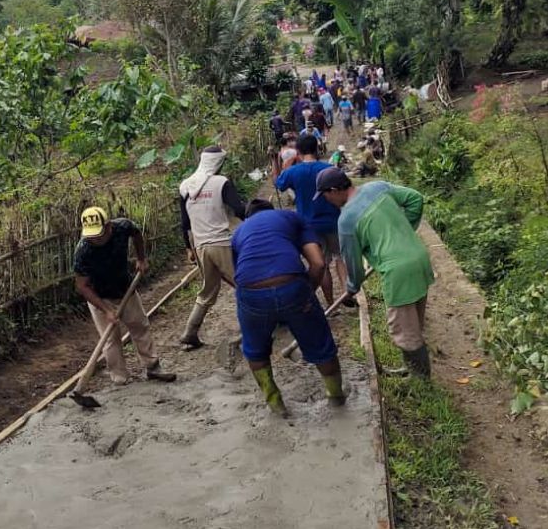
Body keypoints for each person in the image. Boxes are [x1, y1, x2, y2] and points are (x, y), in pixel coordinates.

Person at [315, 169, 435, 377]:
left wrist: (352, 287)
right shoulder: (377, 187)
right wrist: (404, 230)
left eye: (325, 195)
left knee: (404, 330)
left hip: (399, 272)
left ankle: (420, 380)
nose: (326, 200)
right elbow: (415, 199)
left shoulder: (347, 220)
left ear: (334, 190)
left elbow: (353, 266)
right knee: (413, 321)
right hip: (419, 258)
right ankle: (413, 369)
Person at [230, 199, 345, 414]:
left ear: (248, 217)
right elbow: (318, 263)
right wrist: (306, 294)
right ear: (272, 210)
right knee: (321, 345)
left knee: (255, 350)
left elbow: (240, 276)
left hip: (251, 294)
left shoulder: (238, 233)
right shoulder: (291, 217)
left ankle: (275, 404)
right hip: (291, 285)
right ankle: (336, 398)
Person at [74, 207, 176, 385]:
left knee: (140, 325)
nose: (96, 239)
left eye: (99, 234)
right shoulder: (83, 250)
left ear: (108, 227)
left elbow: (136, 234)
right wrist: (106, 310)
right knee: (110, 338)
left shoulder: (122, 227)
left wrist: (141, 258)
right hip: (99, 296)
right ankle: (120, 377)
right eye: (92, 236)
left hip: (124, 289)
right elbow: (82, 286)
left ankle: (152, 367)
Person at [178, 146, 246, 350]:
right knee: (244, 283)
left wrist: (188, 248)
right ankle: (252, 327)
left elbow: (185, 222)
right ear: (217, 163)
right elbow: (239, 209)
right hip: (221, 242)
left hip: (200, 246)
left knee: (208, 290)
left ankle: (190, 332)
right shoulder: (221, 182)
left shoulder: (186, 185)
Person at [275, 135, 353, 310]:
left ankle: (331, 304)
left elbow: (279, 184)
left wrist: (281, 165)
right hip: (334, 221)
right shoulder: (329, 169)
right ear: (316, 148)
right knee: (341, 257)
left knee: (322, 264)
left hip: (309, 226)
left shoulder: (293, 172)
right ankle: (346, 292)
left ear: (299, 151)